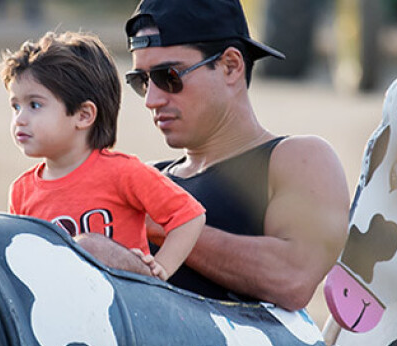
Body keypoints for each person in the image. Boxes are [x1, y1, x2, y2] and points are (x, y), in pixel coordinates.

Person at [122, 0, 350, 310]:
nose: (151, 99)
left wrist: (164, 225)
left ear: (231, 65)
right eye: (142, 81)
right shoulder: (151, 176)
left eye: (168, 76)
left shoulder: (298, 158)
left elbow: (293, 277)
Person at [0, 31, 206, 280]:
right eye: (15, 106)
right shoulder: (21, 191)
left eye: (34, 105)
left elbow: (189, 216)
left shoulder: (123, 172)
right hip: (65, 308)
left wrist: (161, 271)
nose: (20, 119)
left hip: (126, 306)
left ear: (84, 115)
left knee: (91, 246)